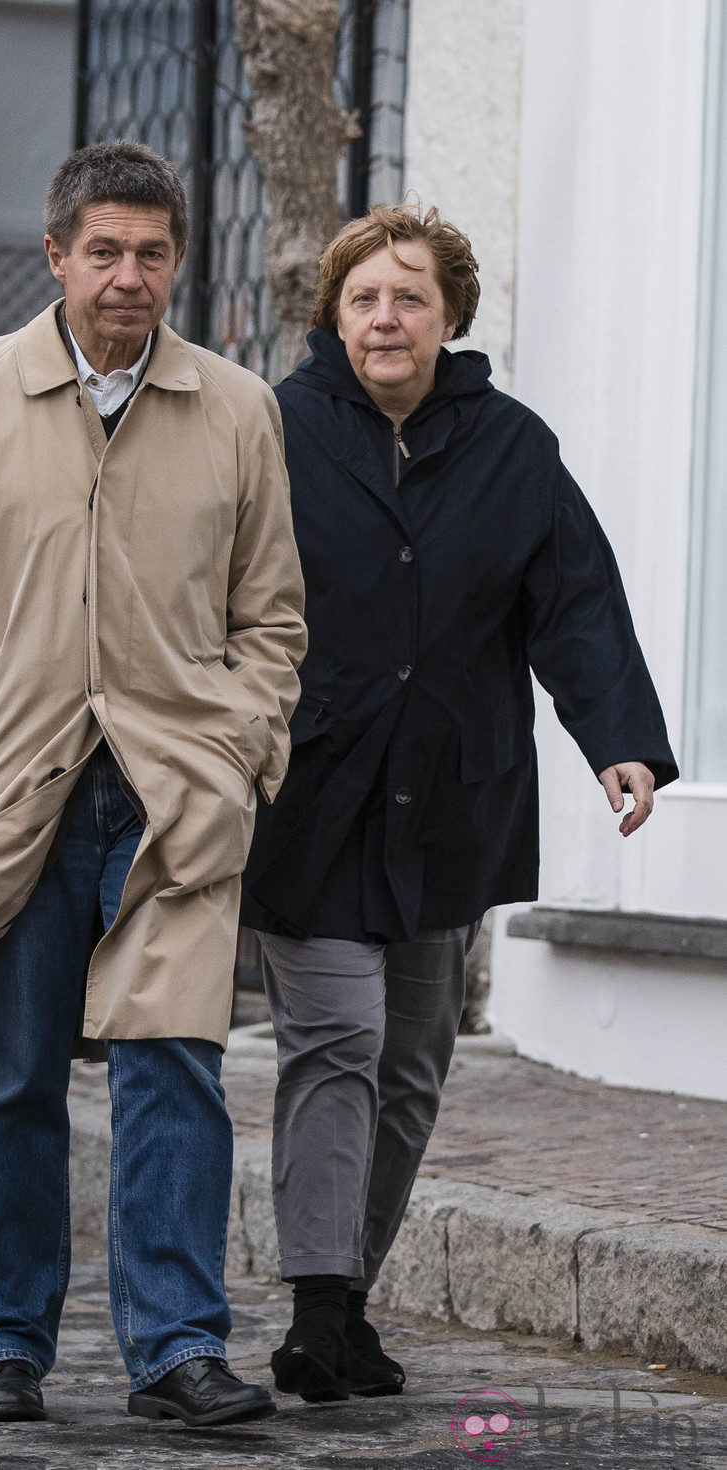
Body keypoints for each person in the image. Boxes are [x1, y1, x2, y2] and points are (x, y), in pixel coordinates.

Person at [0, 141, 306, 1427]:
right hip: (5, 794)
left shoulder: (236, 409)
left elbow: (273, 621)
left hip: (172, 796)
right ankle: (1, 1346)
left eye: (151, 254)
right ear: (54, 256)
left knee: (176, 1068)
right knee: (10, 1077)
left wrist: (238, 743)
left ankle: (176, 1350)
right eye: (102, 251)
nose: (127, 277)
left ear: (176, 263)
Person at [240, 202, 678, 1403]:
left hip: (448, 798)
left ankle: (349, 1299)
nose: (386, 317)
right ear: (333, 312)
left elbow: (573, 602)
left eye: (411, 297)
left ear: (450, 318)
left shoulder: (511, 448)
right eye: (365, 296)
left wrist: (619, 743)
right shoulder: (267, 431)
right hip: (308, 793)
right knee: (338, 1038)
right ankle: (317, 1309)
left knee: (415, 1059)